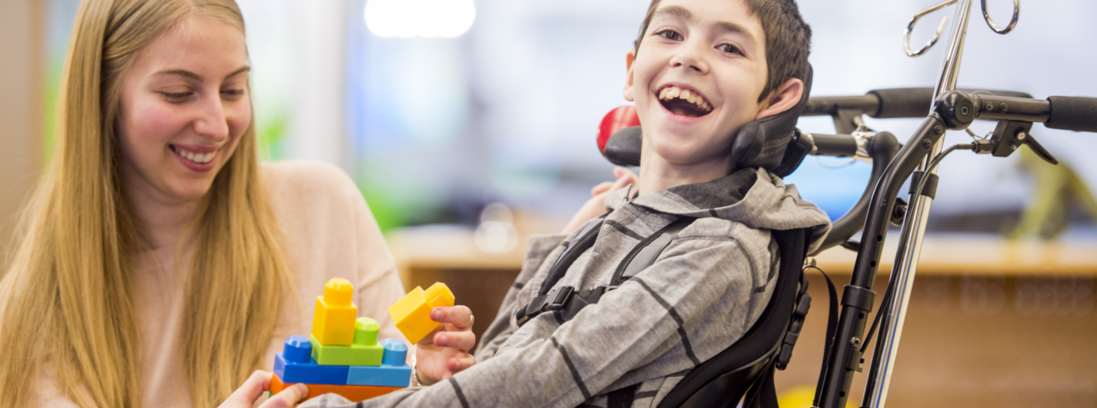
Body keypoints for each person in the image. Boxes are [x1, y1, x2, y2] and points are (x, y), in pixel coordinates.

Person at [242, 0, 830, 406]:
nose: (690, 56)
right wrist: (559, 248)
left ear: (775, 101)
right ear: (632, 73)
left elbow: (539, 382)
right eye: (670, 34)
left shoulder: (722, 248)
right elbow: (500, 357)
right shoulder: (618, 216)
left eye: (728, 46)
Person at [0, 1, 474, 407]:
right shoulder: (35, 311)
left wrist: (429, 381)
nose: (217, 125)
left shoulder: (325, 206)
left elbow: (394, 383)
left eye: (233, 89)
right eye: (178, 93)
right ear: (104, 98)